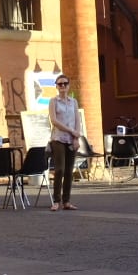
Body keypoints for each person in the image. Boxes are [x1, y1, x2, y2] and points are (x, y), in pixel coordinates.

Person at [47, 76, 82, 211]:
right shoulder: (53, 101)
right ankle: (56, 201)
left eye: (65, 84)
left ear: (68, 86)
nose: (62, 86)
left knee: (69, 170)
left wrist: (76, 137)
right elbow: (54, 121)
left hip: (71, 139)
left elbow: (77, 120)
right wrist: (71, 131)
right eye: (59, 84)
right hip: (58, 138)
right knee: (60, 169)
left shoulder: (73, 102)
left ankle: (66, 201)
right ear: (56, 86)